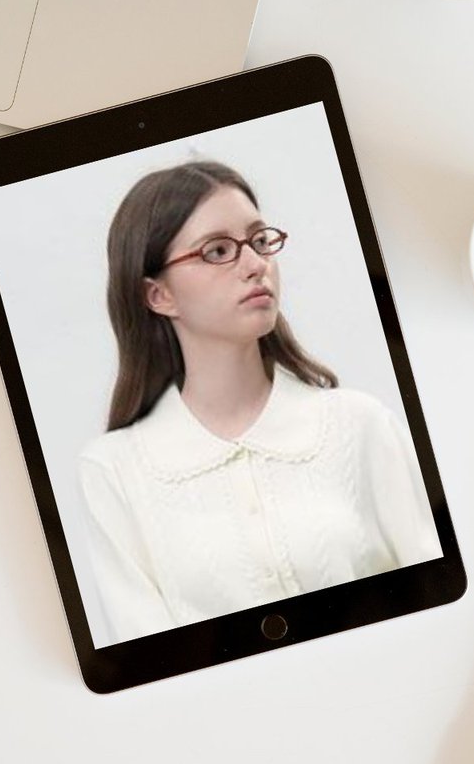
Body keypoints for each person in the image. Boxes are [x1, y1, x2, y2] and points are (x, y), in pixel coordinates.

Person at [78, 161, 441, 644]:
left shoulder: (359, 423)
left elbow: (437, 596)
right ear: (159, 294)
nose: (255, 264)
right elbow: (151, 658)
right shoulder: (113, 471)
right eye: (219, 250)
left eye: (260, 241)